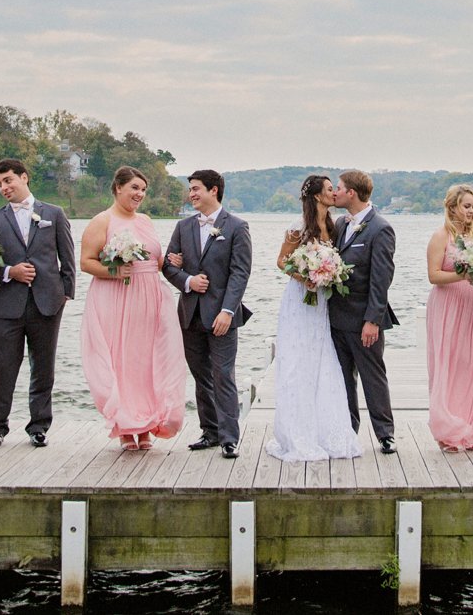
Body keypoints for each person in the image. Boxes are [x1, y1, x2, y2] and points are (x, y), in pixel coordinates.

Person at [79, 166, 186, 449]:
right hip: (117, 297)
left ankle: (148, 424)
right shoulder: (102, 221)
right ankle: (127, 427)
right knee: (122, 361)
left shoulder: (146, 221)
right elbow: (86, 261)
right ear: (118, 188)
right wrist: (113, 272)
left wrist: (172, 263)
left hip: (149, 298)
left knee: (148, 360)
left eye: (143, 190)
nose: (139, 194)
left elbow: (156, 260)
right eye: (134, 188)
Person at [267, 175, 363, 461]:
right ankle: (297, 434)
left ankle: (327, 432)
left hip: (322, 303)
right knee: (298, 363)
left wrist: (326, 273)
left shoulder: (335, 227)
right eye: (330, 189)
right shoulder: (299, 227)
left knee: (323, 361)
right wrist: (304, 275)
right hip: (300, 301)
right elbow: (282, 261)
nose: (335, 192)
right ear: (318, 196)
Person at [0, 158, 76, 448]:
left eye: (8, 180)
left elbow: (68, 259)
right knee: (2, 367)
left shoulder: (54, 214)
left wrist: (64, 295)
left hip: (48, 303)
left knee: (43, 366)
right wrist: (10, 272)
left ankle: (38, 426)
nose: (4, 187)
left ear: (24, 178)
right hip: (7, 305)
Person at [161, 168, 253, 457]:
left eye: (196, 188)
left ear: (214, 190)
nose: (191, 194)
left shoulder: (237, 226)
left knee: (223, 375)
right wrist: (187, 280)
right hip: (190, 314)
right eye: (190, 189)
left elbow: (240, 273)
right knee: (201, 375)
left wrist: (228, 310)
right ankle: (210, 431)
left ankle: (229, 438)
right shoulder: (183, 227)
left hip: (222, 315)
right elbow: (168, 265)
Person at [424, 182, 473, 452]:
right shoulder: (440, 237)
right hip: (446, 304)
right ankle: (447, 431)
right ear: (452, 207)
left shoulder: (471, 240)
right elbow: (434, 276)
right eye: (466, 206)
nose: (471, 211)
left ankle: (468, 427)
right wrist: (464, 274)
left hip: (468, 304)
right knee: (449, 364)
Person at [328, 168, 399, 453]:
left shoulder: (380, 228)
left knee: (372, 375)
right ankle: (348, 430)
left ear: (352, 193)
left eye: (339, 188)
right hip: (336, 317)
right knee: (342, 377)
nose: (335, 192)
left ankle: (385, 434)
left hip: (363, 318)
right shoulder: (340, 225)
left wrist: (373, 320)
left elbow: (382, 279)